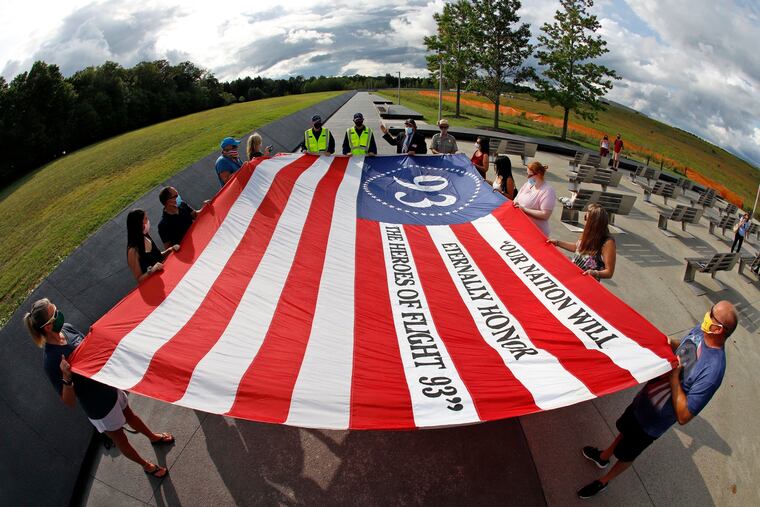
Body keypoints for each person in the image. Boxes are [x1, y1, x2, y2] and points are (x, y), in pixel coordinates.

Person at [577, 301, 738, 499]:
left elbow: (684, 415)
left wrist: (674, 379)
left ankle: (604, 481)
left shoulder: (713, 371)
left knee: (628, 453)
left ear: (718, 329)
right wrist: (670, 343)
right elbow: (686, 348)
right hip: (644, 400)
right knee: (625, 430)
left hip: (653, 422)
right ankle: (603, 456)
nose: (706, 314)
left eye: (711, 314)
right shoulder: (701, 331)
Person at [24, 298, 175, 478]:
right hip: (99, 407)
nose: (60, 315)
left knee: (131, 415)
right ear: (48, 327)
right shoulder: (51, 361)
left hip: (109, 387)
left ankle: (153, 437)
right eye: (55, 314)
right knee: (121, 439)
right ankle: (146, 465)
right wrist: (66, 377)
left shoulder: (67, 328)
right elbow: (69, 401)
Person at [547, 203, 616, 280]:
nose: (584, 221)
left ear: (594, 223)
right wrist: (557, 243)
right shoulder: (588, 232)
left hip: (587, 280)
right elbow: (578, 247)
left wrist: (595, 273)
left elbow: (609, 272)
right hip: (573, 274)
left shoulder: (607, 242)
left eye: (586, 218)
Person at [126, 209, 179, 283]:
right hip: (154, 284)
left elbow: (157, 256)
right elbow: (139, 279)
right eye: (145, 219)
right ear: (138, 223)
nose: (148, 221)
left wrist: (170, 250)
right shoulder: (133, 251)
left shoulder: (145, 236)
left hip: (164, 276)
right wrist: (152, 270)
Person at [513, 161, 556, 237]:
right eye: (527, 174)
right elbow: (516, 198)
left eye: (530, 175)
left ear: (538, 174)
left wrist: (524, 209)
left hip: (536, 232)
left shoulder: (547, 191)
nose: (527, 177)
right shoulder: (528, 184)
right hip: (521, 228)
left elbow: (545, 214)